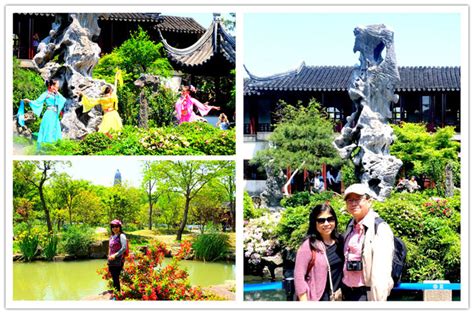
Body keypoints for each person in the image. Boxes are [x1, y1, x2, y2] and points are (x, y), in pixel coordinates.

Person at [342, 184, 394, 301]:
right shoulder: (351, 226)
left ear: (369, 201)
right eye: (349, 200)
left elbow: (381, 273)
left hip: (366, 295)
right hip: (348, 291)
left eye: (357, 199)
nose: (353, 203)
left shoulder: (379, 228)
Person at [294, 204, 344, 301]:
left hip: (338, 298)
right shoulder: (308, 245)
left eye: (330, 219)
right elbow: (299, 276)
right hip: (317, 298)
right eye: (321, 220)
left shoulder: (341, 241)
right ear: (314, 223)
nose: (326, 223)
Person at [23, 78, 66, 146]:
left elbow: (63, 100)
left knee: (55, 129)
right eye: (56, 86)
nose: (57, 87)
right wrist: (29, 101)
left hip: (55, 115)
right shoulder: (45, 94)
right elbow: (37, 102)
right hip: (49, 114)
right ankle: (46, 146)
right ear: (52, 86)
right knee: (48, 129)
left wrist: (57, 92)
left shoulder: (56, 94)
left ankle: (55, 146)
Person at [108, 219, 127, 292]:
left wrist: (115, 255)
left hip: (118, 260)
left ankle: (117, 295)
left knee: (116, 278)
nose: (114, 228)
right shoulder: (112, 236)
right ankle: (116, 293)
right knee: (114, 277)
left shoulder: (122, 236)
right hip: (111, 261)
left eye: (116, 226)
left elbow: (124, 248)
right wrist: (109, 256)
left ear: (119, 227)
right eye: (113, 226)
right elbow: (110, 247)